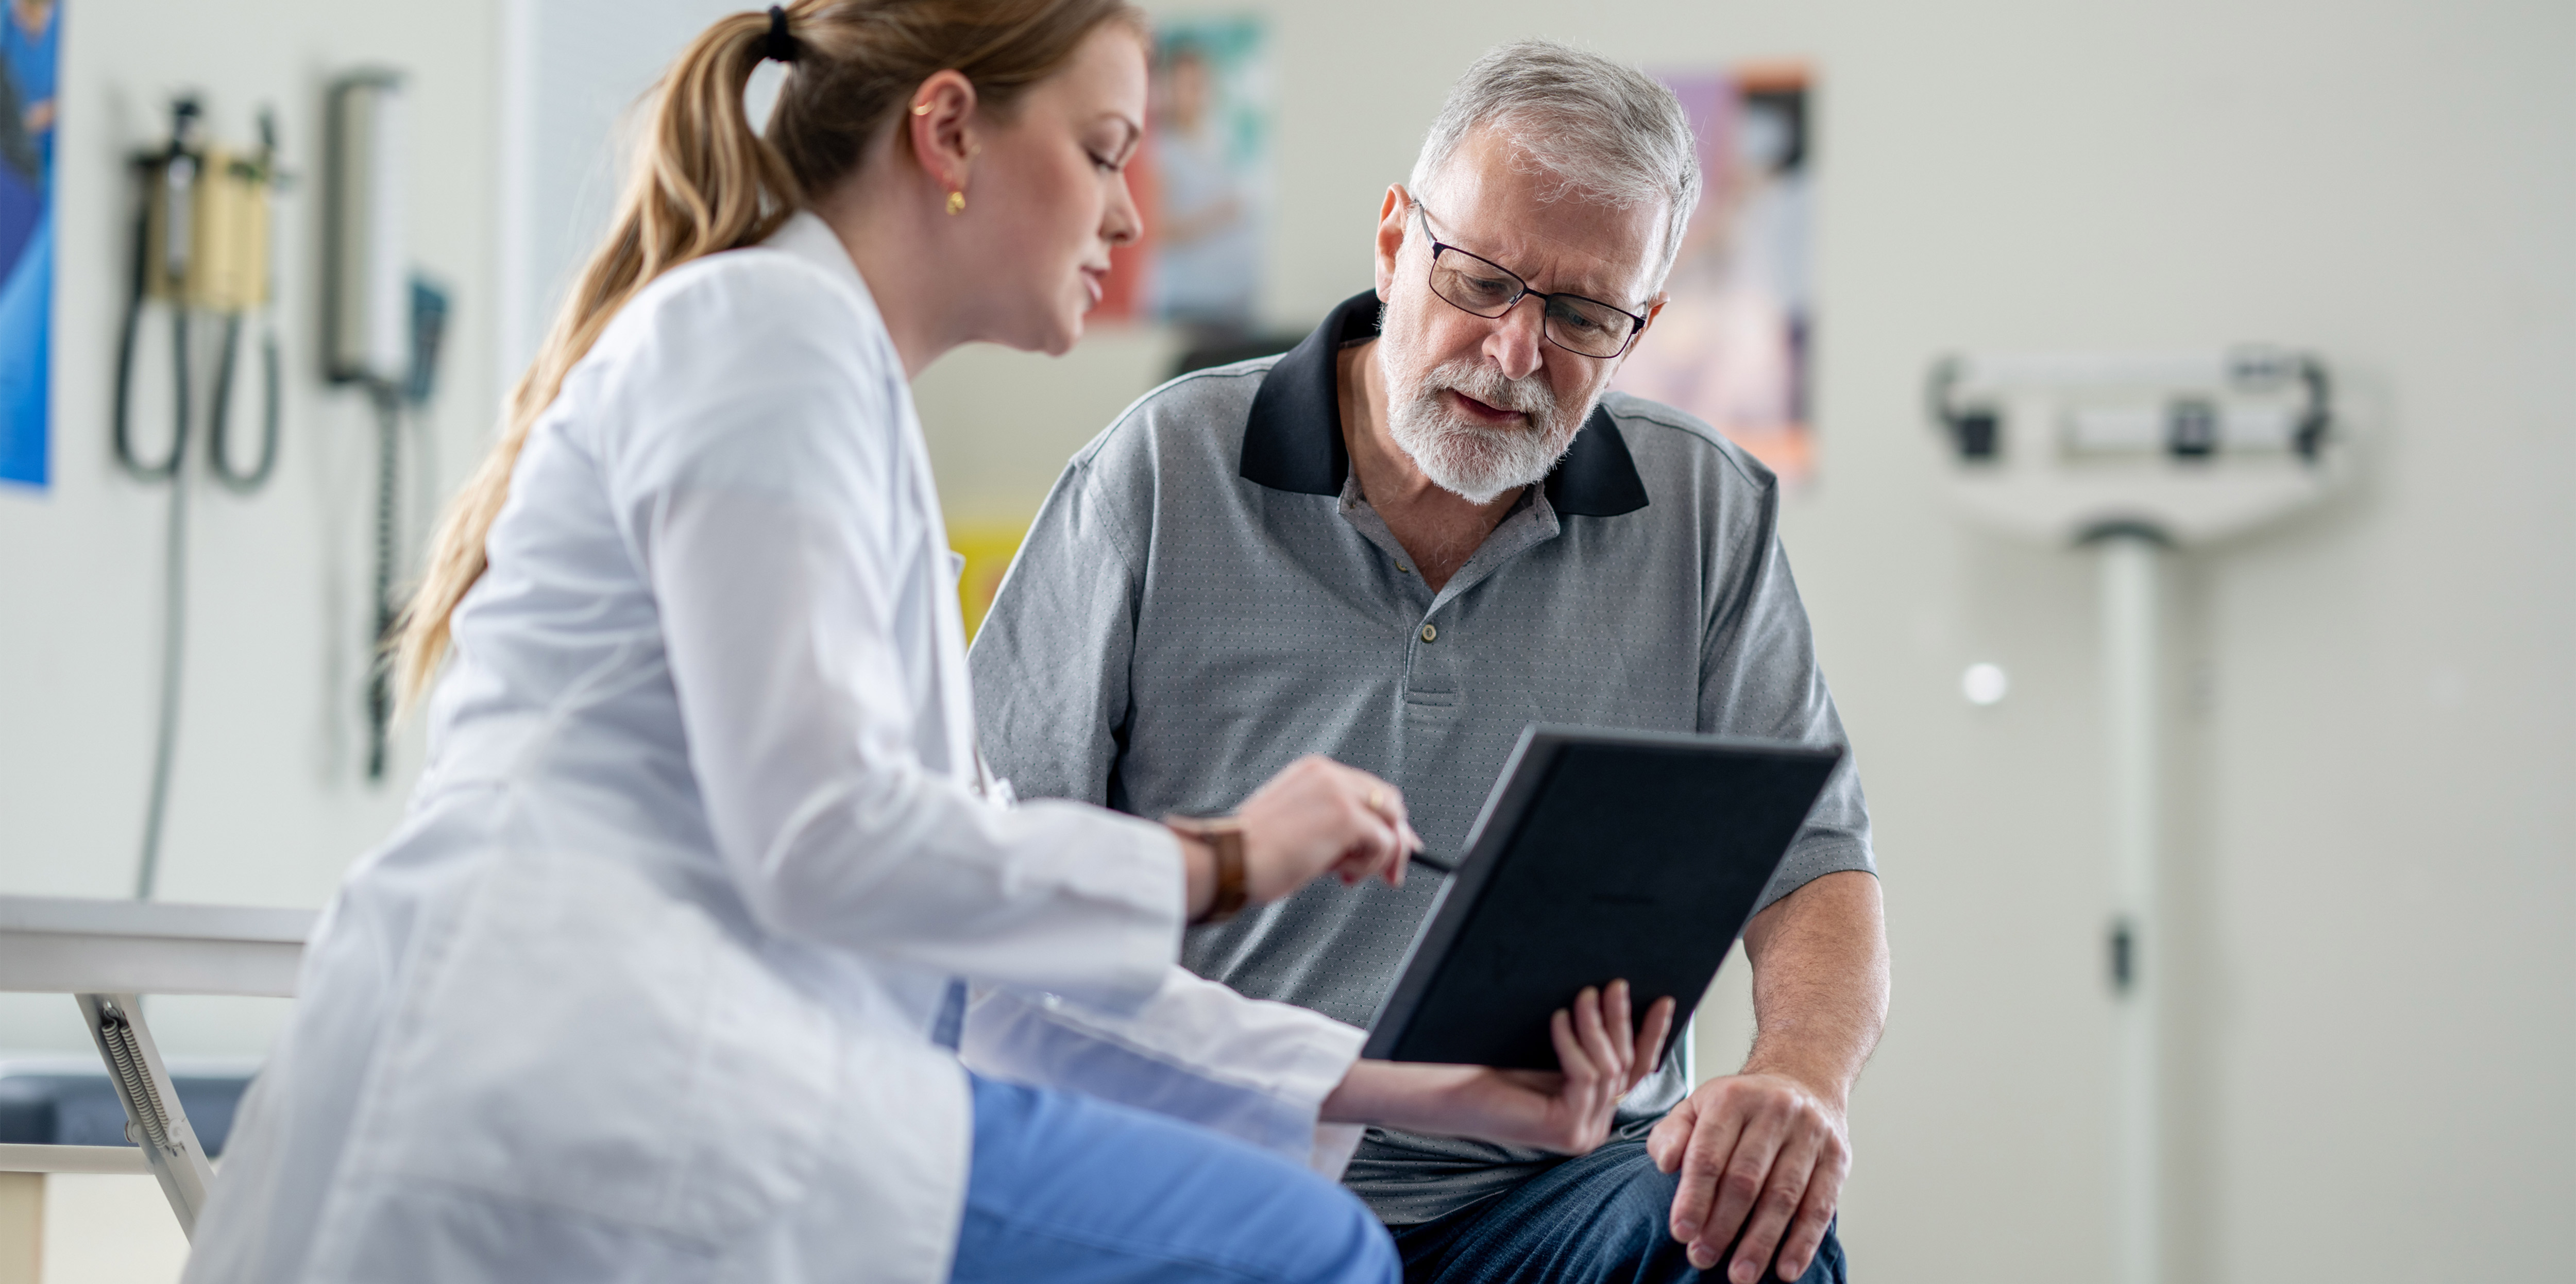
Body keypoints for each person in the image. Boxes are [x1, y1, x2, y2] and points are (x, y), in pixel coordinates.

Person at [180, 8, 1673, 1283]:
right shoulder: (762, 338)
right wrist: (1224, 855)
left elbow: (994, 958)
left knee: (1308, 1241)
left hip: (696, 1093)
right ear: (949, 132)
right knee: (1309, 1250)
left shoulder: (824, 383)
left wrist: (1440, 1092)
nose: (1131, 214)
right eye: (1101, 151)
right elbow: (828, 843)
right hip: (574, 1094)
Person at [972, 40, 1888, 1284]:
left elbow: (1816, 866)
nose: (1516, 355)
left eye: (1581, 315)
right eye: (1485, 282)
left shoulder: (1706, 511)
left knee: (1745, 1229)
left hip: (1554, 1185)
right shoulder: (1159, 471)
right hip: (1220, 1167)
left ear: (1641, 325)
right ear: (1397, 241)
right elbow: (995, 867)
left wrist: (1795, 1078)